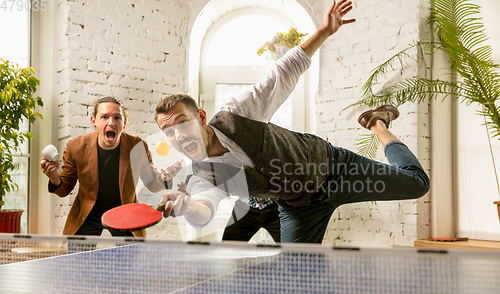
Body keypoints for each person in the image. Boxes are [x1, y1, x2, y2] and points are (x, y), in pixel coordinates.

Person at [153, 0, 430, 243]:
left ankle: (378, 125)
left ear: (201, 117)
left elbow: (282, 73)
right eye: (169, 131)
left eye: (182, 123)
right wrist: (188, 207)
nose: (178, 135)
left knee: (418, 185)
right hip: (300, 205)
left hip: (335, 168)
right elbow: (204, 208)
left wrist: (323, 32)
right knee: (298, 277)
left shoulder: (236, 113)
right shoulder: (203, 175)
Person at [40, 96, 182, 238]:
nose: (111, 123)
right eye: (104, 117)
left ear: (124, 122)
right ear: (93, 121)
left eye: (117, 118)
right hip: (88, 213)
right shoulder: (76, 147)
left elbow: (151, 183)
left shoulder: (137, 146)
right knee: (77, 259)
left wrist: (164, 178)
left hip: (125, 212)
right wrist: (54, 177)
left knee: (131, 258)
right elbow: (64, 189)